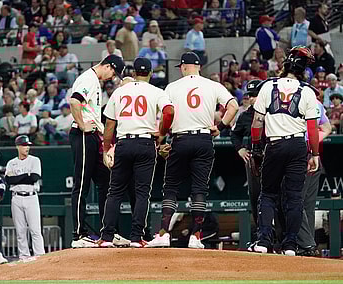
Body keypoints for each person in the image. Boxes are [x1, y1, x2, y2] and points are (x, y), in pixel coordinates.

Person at [148, 52, 239, 248]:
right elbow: (234, 106)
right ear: (199, 67)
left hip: (180, 138)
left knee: (171, 186)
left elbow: (165, 115)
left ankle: (163, 233)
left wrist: (160, 139)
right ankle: (196, 236)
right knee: (199, 189)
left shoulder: (172, 87)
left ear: (183, 67)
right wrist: (220, 127)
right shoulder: (213, 85)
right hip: (204, 138)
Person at [249, 46, 320, 256]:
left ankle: (263, 240)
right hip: (298, 146)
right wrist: (314, 154)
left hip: (275, 145)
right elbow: (312, 129)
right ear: (304, 70)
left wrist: (256, 148)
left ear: (285, 65)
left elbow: (257, 122)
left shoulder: (267, 86)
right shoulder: (307, 91)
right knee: (294, 197)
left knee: (268, 194)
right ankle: (290, 245)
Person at [97, 57, 174, 248]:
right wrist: (162, 133)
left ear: (133, 73)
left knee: (114, 192)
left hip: (123, 142)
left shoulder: (120, 91)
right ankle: (136, 237)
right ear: (150, 73)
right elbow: (170, 112)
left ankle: (107, 237)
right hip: (145, 143)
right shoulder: (156, 91)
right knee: (142, 193)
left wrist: (107, 148)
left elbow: (109, 124)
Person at [69, 54, 125, 248]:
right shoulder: (88, 79)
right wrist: (82, 124)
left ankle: (109, 232)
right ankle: (78, 235)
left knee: (106, 182)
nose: (112, 77)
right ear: (108, 66)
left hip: (94, 136)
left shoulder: (94, 80)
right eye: (113, 72)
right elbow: (74, 101)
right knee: (82, 184)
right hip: (84, 135)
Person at [297, 100, 332, 256]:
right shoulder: (315, 101)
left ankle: (305, 244)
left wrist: (309, 142)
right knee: (307, 205)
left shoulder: (290, 98)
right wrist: (313, 143)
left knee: (296, 201)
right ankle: (308, 246)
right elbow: (327, 128)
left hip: (300, 155)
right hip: (312, 154)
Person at [5, 135, 45, 260]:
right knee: (20, 231)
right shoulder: (11, 163)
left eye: (28, 145)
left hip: (31, 197)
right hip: (16, 198)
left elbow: (34, 177)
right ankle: (24, 256)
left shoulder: (35, 160)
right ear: (17, 146)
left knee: (35, 229)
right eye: (23, 145)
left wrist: (18, 178)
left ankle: (40, 255)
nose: (26, 147)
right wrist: (25, 176)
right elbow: (9, 180)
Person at [230, 80, 263, 225]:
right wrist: (240, 149)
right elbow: (234, 134)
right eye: (249, 95)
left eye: (254, 95)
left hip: (272, 157)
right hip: (254, 160)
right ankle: (261, 234)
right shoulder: (245, 116)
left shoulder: (273, 112)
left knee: (277, 197)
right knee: (255, 197)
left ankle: (280, 237)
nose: (251, 98)